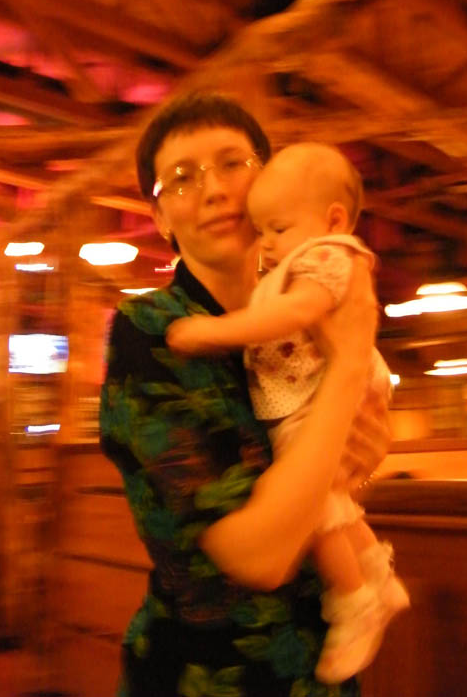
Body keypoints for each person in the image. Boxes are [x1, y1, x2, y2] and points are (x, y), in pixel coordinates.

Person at [100, 92, 391, 697]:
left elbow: (339, 468)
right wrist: (347, 366)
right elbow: (261, 557)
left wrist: (361, 457)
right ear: (160, 218)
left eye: (233, 163)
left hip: (324, 668)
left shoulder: (302, 312)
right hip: (210, 675)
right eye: (182, 178)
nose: (213, 189)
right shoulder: (150, 331)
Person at [167, 142, 409, 683]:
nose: (268, 242)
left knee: (315, 501)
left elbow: (293, 314)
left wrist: (210, 333)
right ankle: (376, 576)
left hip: (312, 395)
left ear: (333, 220)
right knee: (330, 496)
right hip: (318, 392)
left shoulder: (326, 256)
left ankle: (355, 598)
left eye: (277, 228)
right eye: (264, 230)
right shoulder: (303, 259)